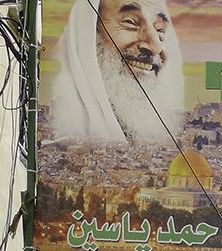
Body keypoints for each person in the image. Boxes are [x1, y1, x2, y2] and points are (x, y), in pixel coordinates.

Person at [48, 0, 186, 145]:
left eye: (160, 30)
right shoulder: (67, 138)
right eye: (130, 22)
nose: (155, 46)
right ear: (87, 36)